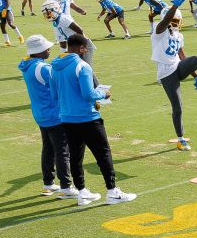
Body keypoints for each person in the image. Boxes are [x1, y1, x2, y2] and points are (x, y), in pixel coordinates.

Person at [50, 34, 136, 205]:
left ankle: (82, 192)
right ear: (81, 48)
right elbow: (89, 94)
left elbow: (54, 95)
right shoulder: (82, 66)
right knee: (103, 153)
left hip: (67, 119)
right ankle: (112, 191)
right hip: (88, 119)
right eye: (85, 48)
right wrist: (103, 93)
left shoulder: (54, 67)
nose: (86, 51)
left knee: (75, 156)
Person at [152, 0, 197, 150]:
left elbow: (183, 57)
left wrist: (195, 76)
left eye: (178, 20)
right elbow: (164, 22)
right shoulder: (159, 32)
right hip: (166, 74)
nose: (178, 23)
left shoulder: (180, 35)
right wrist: (173, 6)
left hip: (177, 67)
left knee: (192, 59)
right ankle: (180, 139)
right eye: (175, 20)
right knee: (177, 107)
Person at [19, 34, 72, 198]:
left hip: (41, 113)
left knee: (48, 148)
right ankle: (66, 187)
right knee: (62, 151)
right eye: (46, 48)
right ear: (39, 51)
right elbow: (60, 85)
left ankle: (48, 183)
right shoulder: (43, 68)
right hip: (54, 114)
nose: (49, 50)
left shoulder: (28, 65)